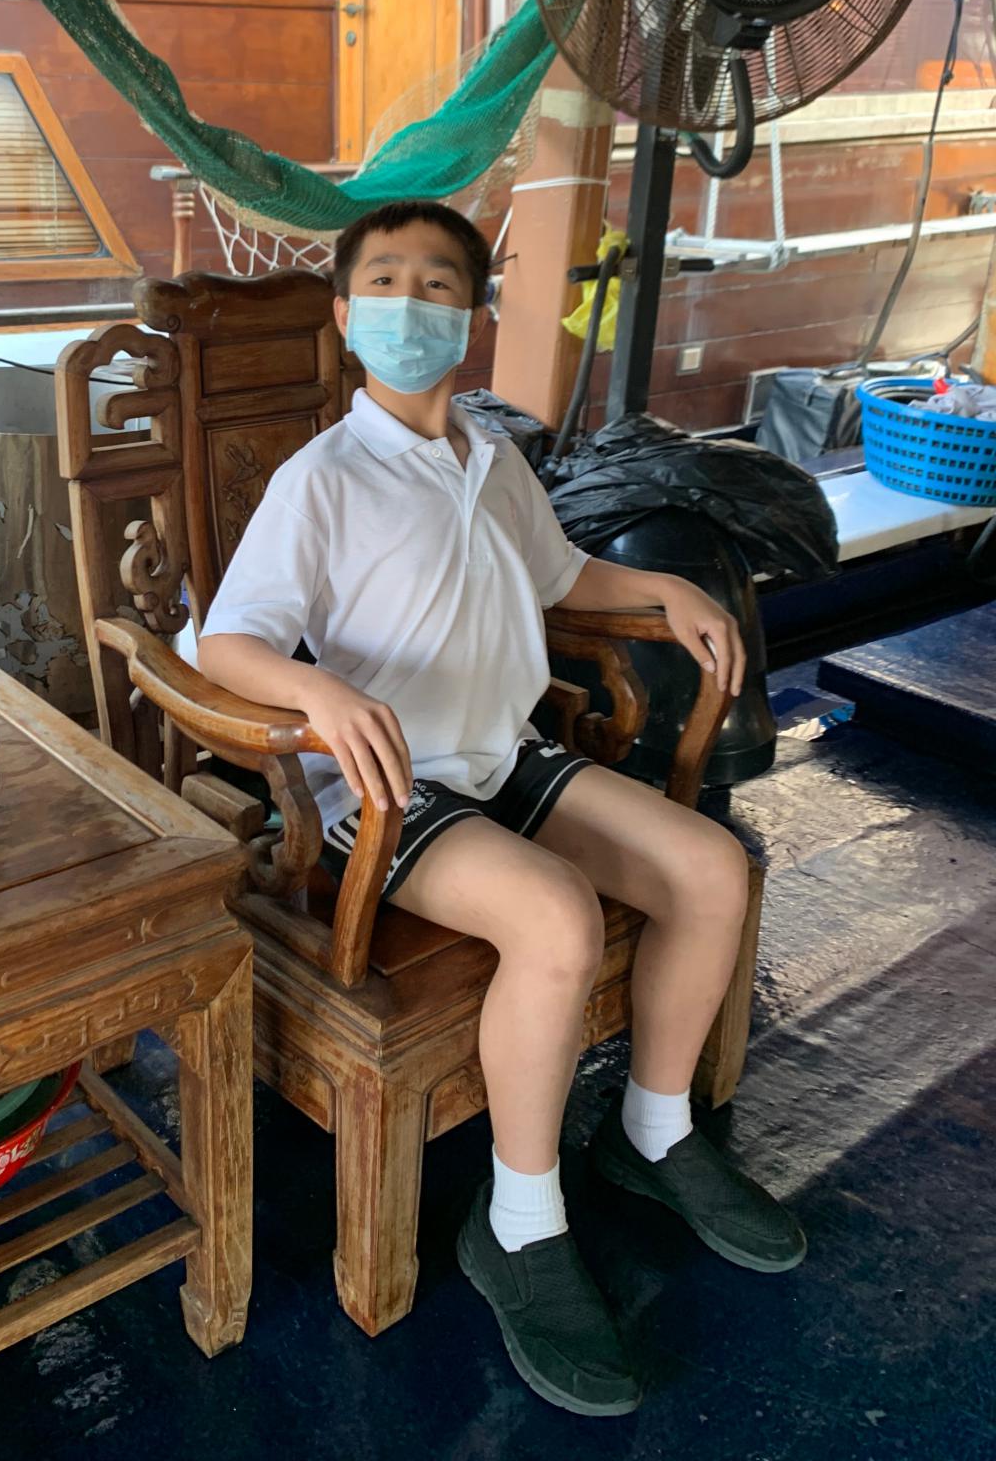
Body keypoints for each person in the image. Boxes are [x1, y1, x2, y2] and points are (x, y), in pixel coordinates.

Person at [198, 199, 804, 1418]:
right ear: (344, 316)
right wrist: (318, 690)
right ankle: (520, 1221)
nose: (408, 305)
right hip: (384, 790)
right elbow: (229, 641)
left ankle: (653, 1130)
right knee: (556, 917)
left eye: (437, 286)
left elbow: (563, 573)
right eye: (383, 282)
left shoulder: (490, 456)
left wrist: (670, 589)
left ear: (470, 319)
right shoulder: (323, 479)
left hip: (501, 757)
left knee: (710, 868)